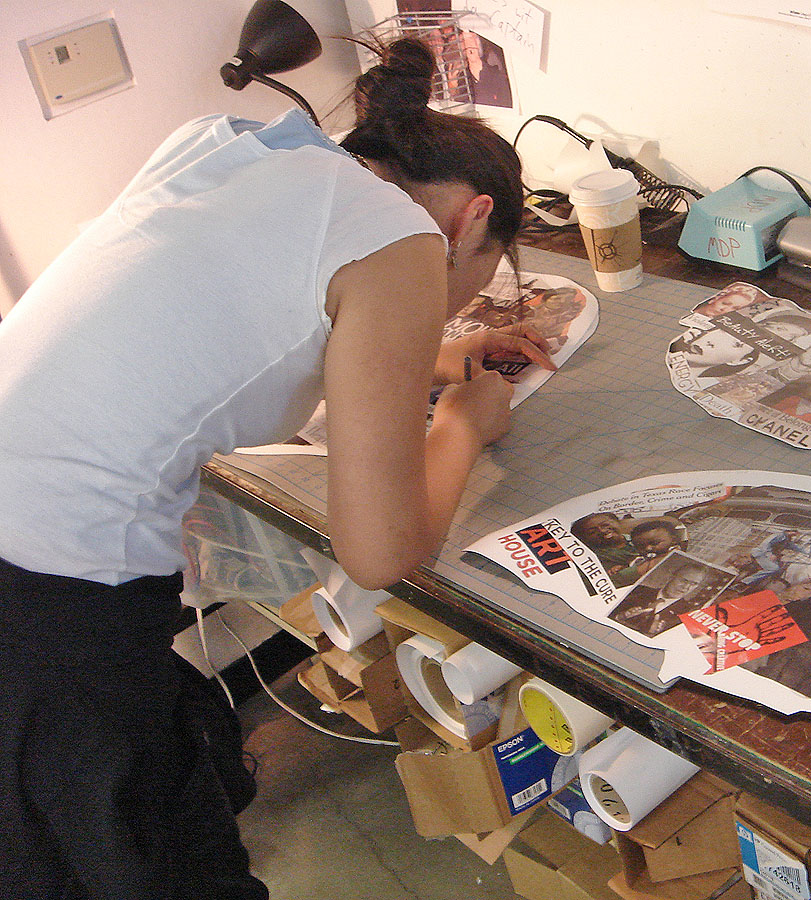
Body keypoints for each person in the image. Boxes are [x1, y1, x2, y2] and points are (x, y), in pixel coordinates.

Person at [0, 37, 556, 899]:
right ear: (471, 220)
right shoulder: (405, 239)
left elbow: (220, 315)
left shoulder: (223, 142)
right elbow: (381, 554)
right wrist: (462, 424)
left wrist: (434, 351)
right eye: (475, 284)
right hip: (44, 619)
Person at [609, 560, 710, 637]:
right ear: (671, 577)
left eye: (694, 584)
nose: (686, 587)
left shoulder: (686, 614)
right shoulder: (638, 590)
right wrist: (621, 616)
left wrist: (653, 634)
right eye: (684, 580)